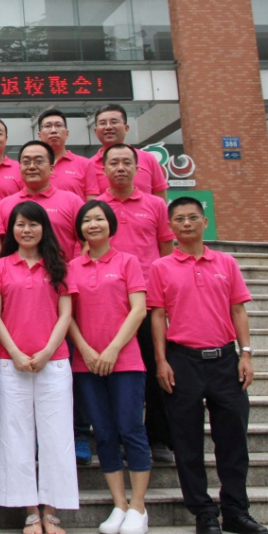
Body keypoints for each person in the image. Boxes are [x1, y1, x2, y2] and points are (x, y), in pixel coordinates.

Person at [150, 196, 268, 534]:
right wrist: (161, 361)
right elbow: (157, 316)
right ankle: (203, 512)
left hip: (225, 361)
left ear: (205, 222)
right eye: (179, 219)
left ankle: (236, 511)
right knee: (187, 443)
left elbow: (238, 310)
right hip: (182, 360)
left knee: (233, 441)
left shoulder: (226, 263)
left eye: (192, 218)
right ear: (170, 228)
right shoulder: (161, 267)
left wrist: (246, 354)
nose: (186, 224)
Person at [0, 201, 78, 534]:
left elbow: (66, 315)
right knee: (15, 435)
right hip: (9, 362)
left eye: (33, 224)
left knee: (57, 436)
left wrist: (46, 352)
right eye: (20, 224)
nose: (26, 230)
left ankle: (53, 510)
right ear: (11, 229)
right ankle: (29, 510)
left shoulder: (58, 266)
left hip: (53, 363)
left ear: (45, 228)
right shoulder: (0, 266)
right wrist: (13, 351)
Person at [66, 200, 151, 534]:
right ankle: (119, 503)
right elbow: (67, 315)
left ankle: (139, 506)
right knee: (102, 432)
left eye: (99, 219)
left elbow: (139, 309)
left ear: (110, 224)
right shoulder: (72, 266)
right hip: (86, 362)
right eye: (87, 220)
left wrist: (113, 348)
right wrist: (86, 350)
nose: (93, 224)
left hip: (125, 360)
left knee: (131, 428)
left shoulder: (128, 262)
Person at [98, 143, 176, 464]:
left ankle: (158, 436)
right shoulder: (95, 208)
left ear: (138, 168)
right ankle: (113, 436)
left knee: (154, 365)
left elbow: (167, 249)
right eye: (113, 162)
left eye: (126, 163)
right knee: (110, 371)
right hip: (107, 301)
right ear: (103, 169)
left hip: (148, 300)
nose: (120, 168)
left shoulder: (156, 205)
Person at [0, 141, 84, 263]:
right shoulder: (4, 204)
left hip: (60, 277)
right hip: (15, 280)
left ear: (52, 168)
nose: (32, 166)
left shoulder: (72, 201)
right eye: (26, 162)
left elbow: (87, 243)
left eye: (39, 161)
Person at [89, 105, 168, 200]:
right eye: (103, 123)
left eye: (114, 122)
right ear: (96, 131)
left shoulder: (148, 159)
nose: (108, 127)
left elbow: (160, 197)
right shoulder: (89, 166)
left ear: (126, 128)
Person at [36, 109, 94, 200]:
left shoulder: (85, 164)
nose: (53, 130)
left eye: (58, 125)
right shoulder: (30, 166)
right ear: (39, 135)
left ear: (67, 133)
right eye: (48, 126)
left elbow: (92, 203)